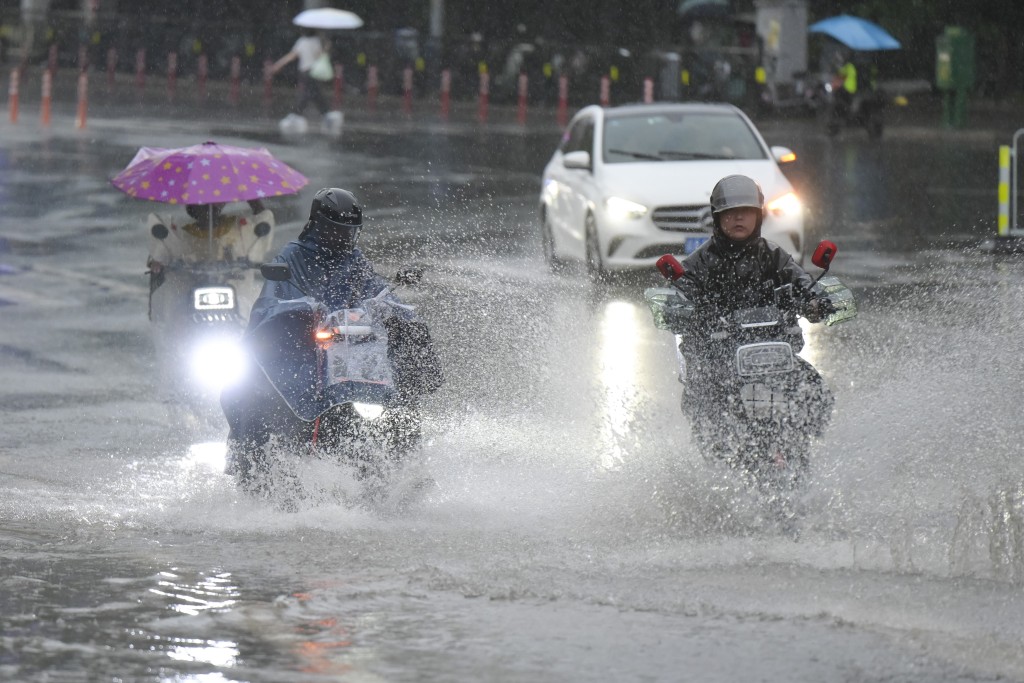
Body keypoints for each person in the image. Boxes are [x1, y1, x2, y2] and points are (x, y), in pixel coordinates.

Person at [221, 188, 443, 478]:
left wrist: (398, 312)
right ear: (318, 225)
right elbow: (271, 303)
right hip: (303, 352)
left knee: (400, 391)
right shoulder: (292, 256)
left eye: (349, 232)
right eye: (336, 230)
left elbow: (378, 292)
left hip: (352, 351)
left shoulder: (355, 261)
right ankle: (254, 461)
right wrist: (302, 312)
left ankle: (409, 466)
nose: (343, 237)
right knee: (252, 388)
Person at [672, 175, 835, 449]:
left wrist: (816, 300)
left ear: (758, 216)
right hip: (718, 354)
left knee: (814, 392)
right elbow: (681, 294)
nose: (739, 218)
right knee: (704, 398)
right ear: (717, 217)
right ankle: (714, 453)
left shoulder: (772, 255)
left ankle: (801, 444)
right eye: (730, 212)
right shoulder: (699, 262)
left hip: (770, 351)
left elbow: (801, 281)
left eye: (746, 212)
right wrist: (690, 311)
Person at [146, 199, 276, 320]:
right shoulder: (181, 234)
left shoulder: (239, 228)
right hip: (191, 293)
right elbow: (164, 248)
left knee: (253, 312)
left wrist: (252, 200)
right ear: (192, 207)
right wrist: (157, 262)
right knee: (175, 314)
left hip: (235, 291)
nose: (208, 208)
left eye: (213, 204)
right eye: (201, 204)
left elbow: (263, 221)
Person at [270, 28, 331, 118]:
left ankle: (323, 113)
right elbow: (321, 55)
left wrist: (278, 65)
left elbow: (291, 56)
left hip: (304, 72)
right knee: (312, 93)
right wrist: (326, 46)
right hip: (314, 72)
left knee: (312, 93)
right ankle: (324, 113)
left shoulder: (302, 41)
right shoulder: (317, 41)